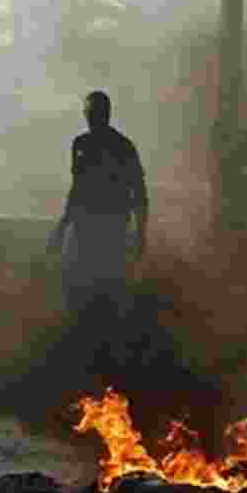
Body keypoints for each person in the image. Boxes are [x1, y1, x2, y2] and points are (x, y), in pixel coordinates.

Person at [47, 91, 148, 323]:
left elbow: (139, 192)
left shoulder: (120, 147)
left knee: (108, 290)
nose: (91, 118)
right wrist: (63, 226)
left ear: (104, 115)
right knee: (78, 287)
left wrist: (141, 232)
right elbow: (77, 190)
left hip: (109, 228)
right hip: (89, 228)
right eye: (89, 114)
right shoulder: (84, 144)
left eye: (93, 114)